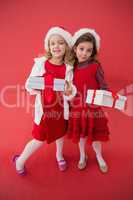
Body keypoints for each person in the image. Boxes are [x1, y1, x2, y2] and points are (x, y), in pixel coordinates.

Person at [13, 26, 76, 175]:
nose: (56, 46)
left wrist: (69, 91)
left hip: (60, 110)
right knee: (39, 138)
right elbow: (29, 85)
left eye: (61, 43)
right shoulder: (41, 63)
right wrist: (43, 83)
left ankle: (59, 155)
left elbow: (71, 90)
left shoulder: (68, 68)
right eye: (52, 43)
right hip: (44, 111)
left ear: (67, 46)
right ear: (48, 46)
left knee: (60, 134)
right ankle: (20, 160)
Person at [67, 28, 110, 173]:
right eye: (81, 48)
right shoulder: (71, 67)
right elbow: (68, 88)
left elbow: (103, 85)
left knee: (95, 137)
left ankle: (99, 155)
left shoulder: (95, 66)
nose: (84, 53)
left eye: (88, 50)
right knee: (81, 137)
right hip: (77, 108)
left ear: (93, 52)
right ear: (75, 48)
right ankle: (82, 156)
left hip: (93, 108)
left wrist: (105, 97)